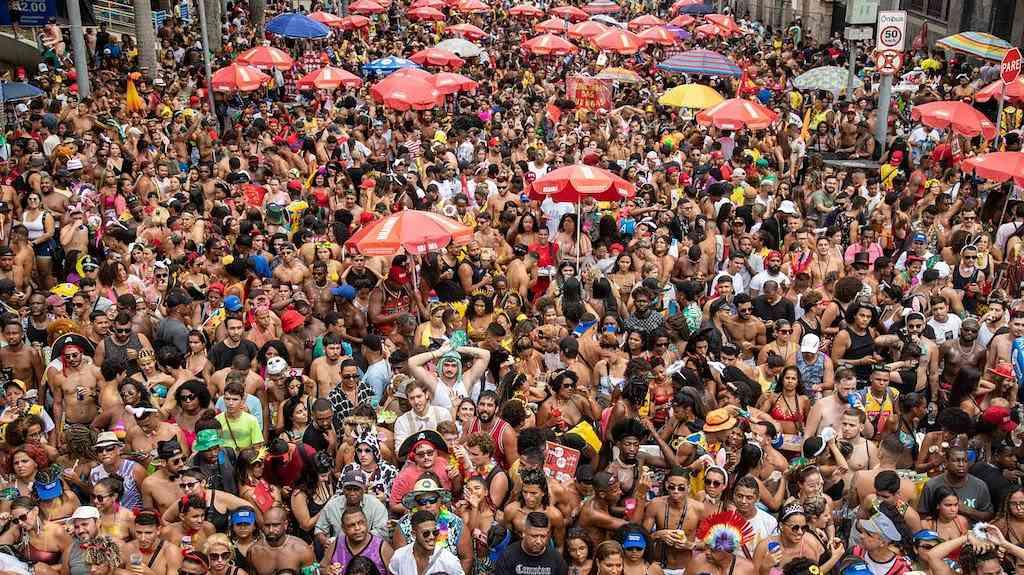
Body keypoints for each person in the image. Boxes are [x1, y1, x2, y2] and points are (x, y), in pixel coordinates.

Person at [388, 510, 465, 575]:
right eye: (426, 533)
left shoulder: (449, 561)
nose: (432, 537)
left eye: (435, 532)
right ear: (414, 534)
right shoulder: (399, 556)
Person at [494, 512, 568, 575]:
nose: (539, 541)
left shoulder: (556, 559)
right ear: (523, 533)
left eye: (543, 536)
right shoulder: (507, 557)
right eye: (534, 536)